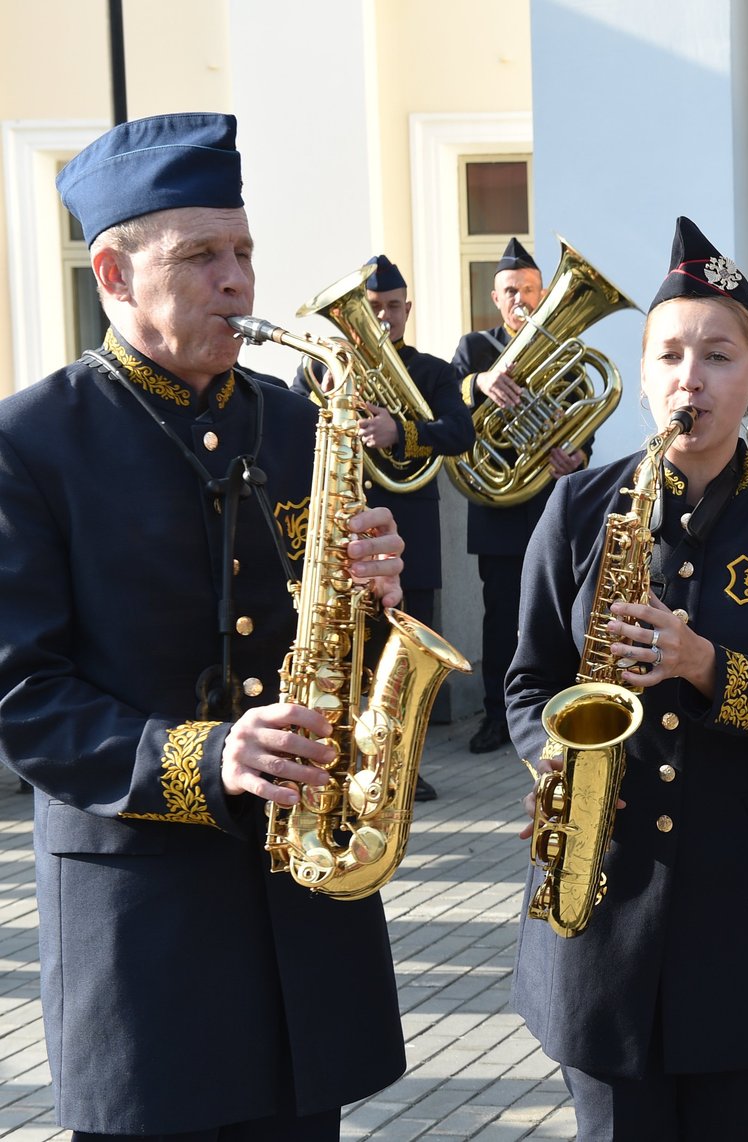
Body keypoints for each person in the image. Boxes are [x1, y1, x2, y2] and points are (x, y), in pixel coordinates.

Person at [0, 112, 409, 1140]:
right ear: (113, 274)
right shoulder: (30, 442)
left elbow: (332, 656)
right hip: (143, 932)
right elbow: (24, 697)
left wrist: (372, 598)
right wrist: (210, 756)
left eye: (244, 252)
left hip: (299, 908)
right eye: (201, 255)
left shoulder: (297, 418)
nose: (238, 281)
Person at [506, 216, 748, 1142]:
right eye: (671, 355)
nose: (692, 378)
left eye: (721, 355)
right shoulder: (575, 506)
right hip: (602, 882)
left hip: (742, 889)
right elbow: (529, 682)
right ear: (644, 375)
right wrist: (561, 768)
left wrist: (703, 664)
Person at [292, 252, 473, 800]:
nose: (385, 317)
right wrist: (327, 401)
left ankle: (400, 766)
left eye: (394, 307)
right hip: (339, 532)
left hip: (407, 530)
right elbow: (288, 426)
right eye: (373, 309)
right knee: (346, 650)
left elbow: (460, 433)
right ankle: (334, 760)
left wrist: (402, 431)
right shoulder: (320, 368)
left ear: (408, 309)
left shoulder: (434, 371)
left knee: (397, 656)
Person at [454, 237, 589, 754]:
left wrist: (575, 456)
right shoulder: (475, 350)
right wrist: (480, 384)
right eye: (510, 291)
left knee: (561, 612)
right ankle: (496, 717)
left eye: (529, 291)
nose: (520, 301)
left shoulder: (564, 350)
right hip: (500, 509)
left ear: (545, 292)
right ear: (495, 297)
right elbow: (449, 405)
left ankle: (560, 710)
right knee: (501, 618)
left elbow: (582, 423)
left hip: (553, 508)